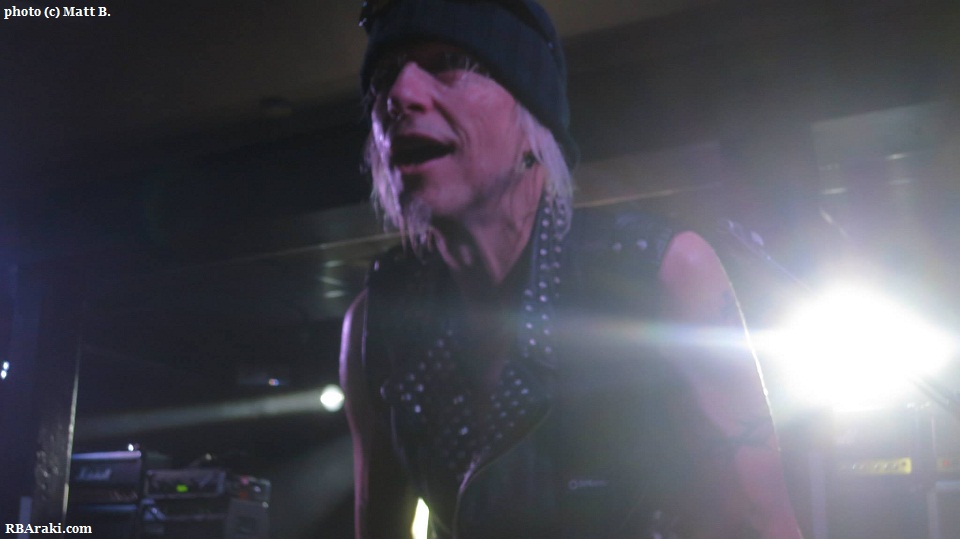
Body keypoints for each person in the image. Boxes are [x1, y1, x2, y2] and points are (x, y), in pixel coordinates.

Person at [340, 1, 804, 537]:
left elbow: (762, 521)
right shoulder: (378, 322)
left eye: (451, 63)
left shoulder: (659, 272)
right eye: (383, 76)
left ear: (533, 112)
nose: (399, 94)